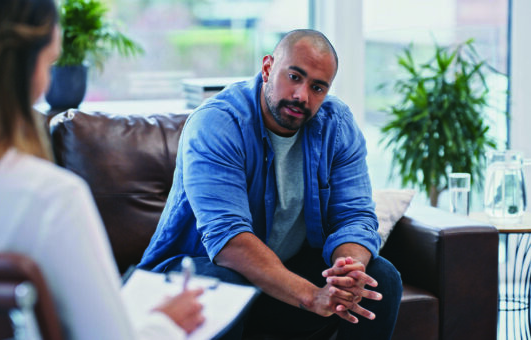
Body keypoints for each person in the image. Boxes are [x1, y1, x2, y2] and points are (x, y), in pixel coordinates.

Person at [0, 0, 205, 339]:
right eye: (49, 63)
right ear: (19, 71)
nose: (47, 83)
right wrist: (163, 323)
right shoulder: (50, 199)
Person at [138, 29, 403, 339]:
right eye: (294, 76)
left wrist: (348, 271)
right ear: (267, 68)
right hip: (196, 274)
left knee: (379, 278)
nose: (302, 96)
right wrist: (310, 295)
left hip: (282, 278)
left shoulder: (337, 125)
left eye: (317, 87)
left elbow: (354, 216)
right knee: (221, 283)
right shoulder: (217, 123)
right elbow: (229, 241)